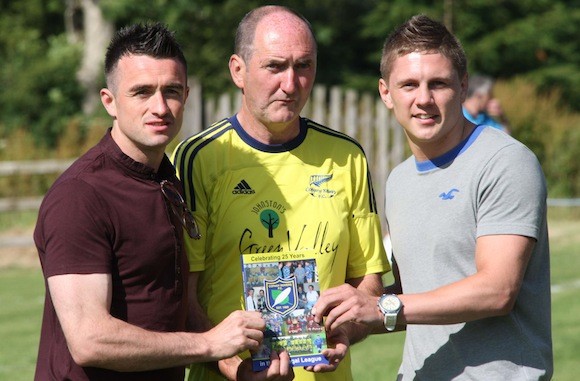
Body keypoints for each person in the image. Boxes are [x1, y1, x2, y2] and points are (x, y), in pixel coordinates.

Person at [312, 14, 553, 380]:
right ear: (386, 93)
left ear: (463, 85)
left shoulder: (505, 161)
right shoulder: (398, 180)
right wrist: (348, 324)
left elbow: (497, 290)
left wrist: (381, 306)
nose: (423, 99)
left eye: (438, 83)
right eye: (408, 84)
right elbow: (418, 293)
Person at [33, 22, 268, 381]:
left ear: (186, 96)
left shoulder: (167, 179)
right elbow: (89, 339)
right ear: (109, 102)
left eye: (171, 91)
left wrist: (236, 368)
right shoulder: (80, 196)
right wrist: (208, 343)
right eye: (141, 92)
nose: (160, 107)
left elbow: (171, 302)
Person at [172, 5, 390, 380]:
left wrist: (346, 332)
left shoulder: (346, 157)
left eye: (303, 66)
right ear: (238, 70)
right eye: (275, 66)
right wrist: (233, 367)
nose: (290, 84)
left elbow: (368, 282)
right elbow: (182, 295)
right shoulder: (198, 159)